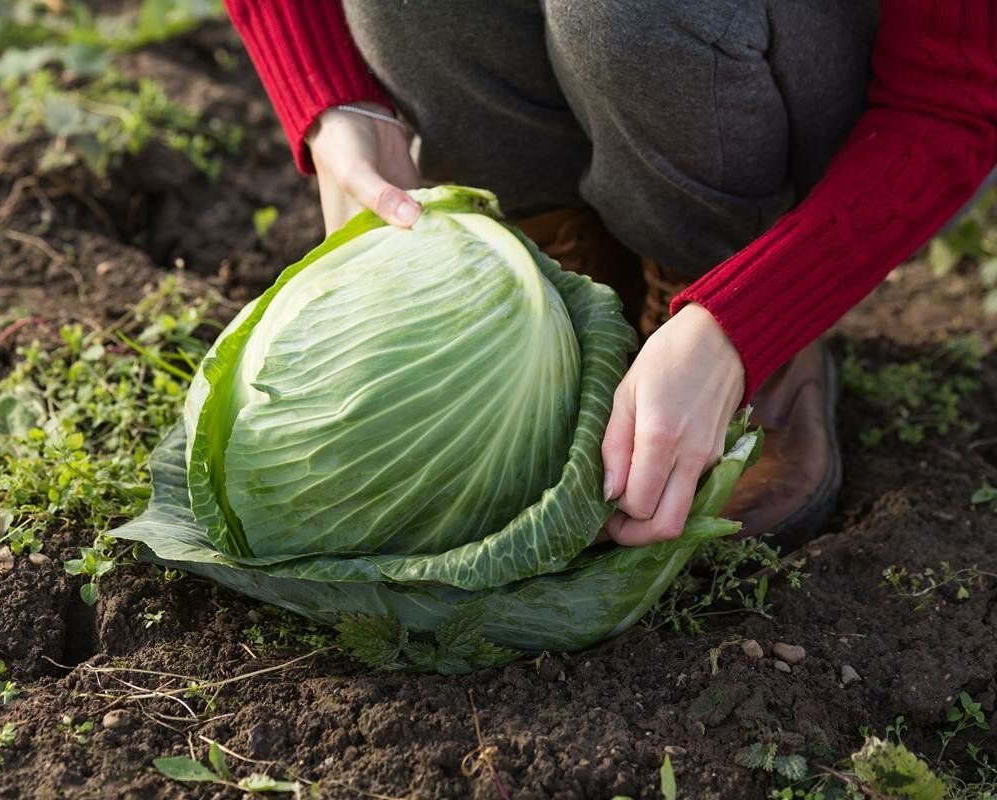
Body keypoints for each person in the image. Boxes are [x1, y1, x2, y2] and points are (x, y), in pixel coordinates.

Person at [224, 0, 997, 550]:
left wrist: (743, 323)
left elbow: (953, 100)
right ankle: (564, 266)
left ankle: (720, 283)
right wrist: (338, 101)